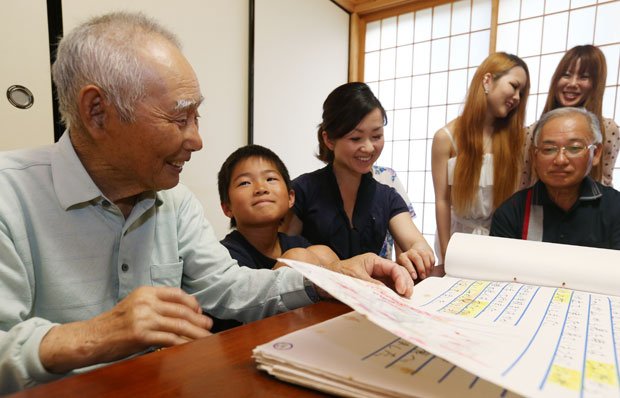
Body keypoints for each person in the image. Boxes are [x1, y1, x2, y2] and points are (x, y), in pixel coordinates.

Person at [0, 12, 414, 394]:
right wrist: (91, 335)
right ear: (97, 112)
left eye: (198, 118)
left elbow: (230, 287)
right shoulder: (10, 195)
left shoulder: (175, 203)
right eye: (180, 119)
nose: (197, 140)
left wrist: (329, 277)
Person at [283, 82, 435, 280]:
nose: (369, 148)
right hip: (313, 303)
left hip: (368, 300)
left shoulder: (387, 196)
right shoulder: (303, 190)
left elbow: (416, 242)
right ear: (329, 140)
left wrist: (419, 253)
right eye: (356, 138)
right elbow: (284, 256)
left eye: (376, 136)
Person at [431, 52, 530, 264]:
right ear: (487, 80)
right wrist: (447, 253)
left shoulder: (516, 140)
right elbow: (442, 200)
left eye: (522, 92)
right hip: (457, 239)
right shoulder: (445, 138)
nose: (517, 98)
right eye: (514, 86)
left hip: (498, 239)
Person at [490, 107, 620, 249]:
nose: (560, 160)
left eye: (574, 148)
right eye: (549, 149)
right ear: (535, 156)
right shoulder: (511, 213)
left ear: (595, 153)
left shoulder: (615, 208)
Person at [218, 144, 338, 270]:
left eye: (270, 179)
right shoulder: (224, 256)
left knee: (323, 253)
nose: (261, 189)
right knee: (298, 258)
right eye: (245, 183)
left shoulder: (297, 244)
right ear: (227, 208)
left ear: (290, 197)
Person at [520, 45, 620, 188]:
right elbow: (524, 182)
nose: (572, 84)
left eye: (583, 77)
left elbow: (605, 182)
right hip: (539, 207)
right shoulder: (532, 131)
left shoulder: (608, 129)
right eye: (566, 75)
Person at [372, 164, 416, 260]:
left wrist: (402, 263)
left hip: (383, 270)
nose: (368, 148)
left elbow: (405, 235)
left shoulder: (387, 176)